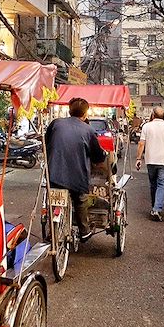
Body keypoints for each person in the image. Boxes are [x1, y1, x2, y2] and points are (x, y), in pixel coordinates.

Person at [45, 97, 108, 241]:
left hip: (54, 173)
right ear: (85, 114)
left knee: (53, 200)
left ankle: (51, 230)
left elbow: (46, 142)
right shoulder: (88, 130)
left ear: (69, 110)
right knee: (80, 200)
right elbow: (98, 157)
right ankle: (84, 231)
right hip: (77, 177)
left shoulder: (56, 123)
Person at [136, 106, 164, 221]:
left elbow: (141, 144)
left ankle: (155, 208)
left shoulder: (146, 126)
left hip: (151, 160)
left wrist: (138, 159)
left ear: (153, 115)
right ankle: (156, 209)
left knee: (153, 184)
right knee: (162, 184)